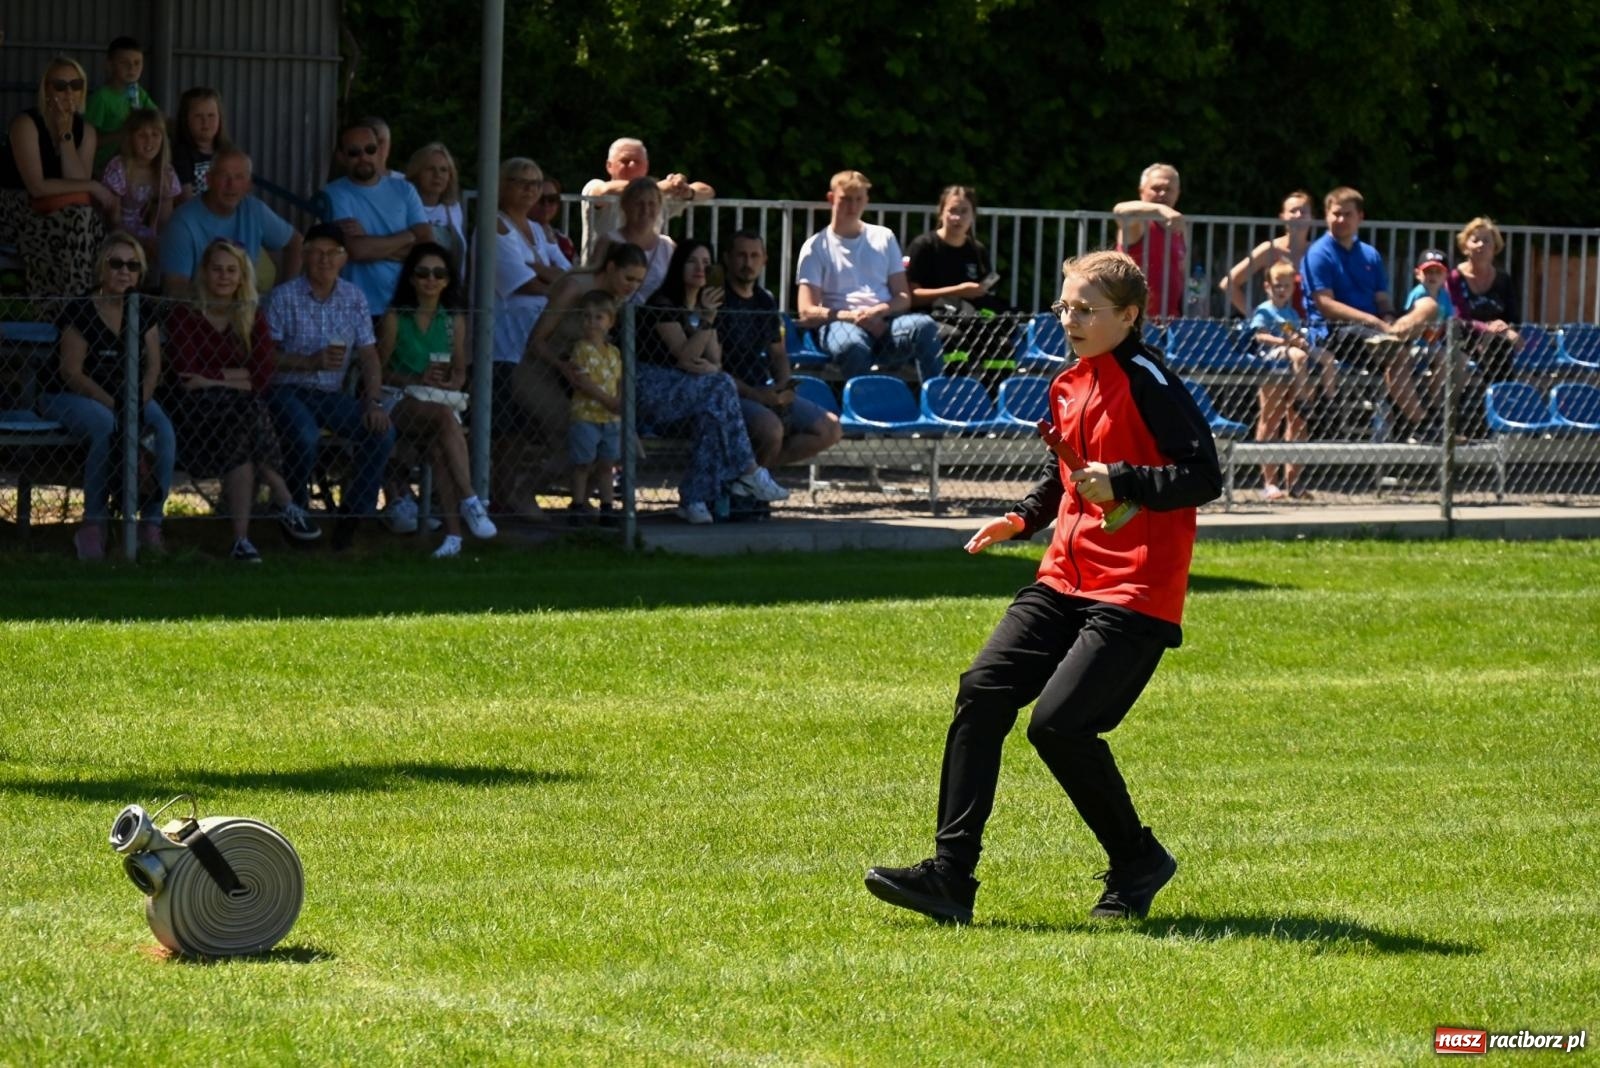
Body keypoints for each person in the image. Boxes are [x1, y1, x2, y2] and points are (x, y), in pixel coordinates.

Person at [865, 250, 1222, 926]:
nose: (1071, 319)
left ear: (1128, 316)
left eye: (1087, 309)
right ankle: (949, 877)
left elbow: (1203, 475)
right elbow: (1067, 476)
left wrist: (1126, 482)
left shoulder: (1149, 380)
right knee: (982, 691)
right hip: (1064, 576)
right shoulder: (1067, 383)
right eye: (1066, 307)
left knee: (1060, 726)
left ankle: (1137, 860)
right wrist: (1023, 517)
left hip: (1134, 591)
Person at [165, 239, 319, 561]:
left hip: (237, 416)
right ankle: (284, 499)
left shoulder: (252, 316)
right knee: (248, 411)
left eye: (231, 270)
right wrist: (235, 376)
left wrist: (212, 377)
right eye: (217, 269)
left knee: (244, 429)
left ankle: (242, 542)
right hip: (195, 414)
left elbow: (262, 376)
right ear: (204, 273)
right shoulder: (185, 314)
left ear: (241, 276)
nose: (224, 276)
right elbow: (187, 374)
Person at [36, 232, 175, 560]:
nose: (124, 271)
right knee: (104, 426)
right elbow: (71, 372)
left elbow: (154, 367)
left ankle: (150, 524)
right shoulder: (81, 310)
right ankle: (93, 525)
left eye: (132, 265)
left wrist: (138, 402)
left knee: (164, 432)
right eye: (116, 264)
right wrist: (117, 405)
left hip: (131, 396)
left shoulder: (145, 310)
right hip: (69, 395)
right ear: (101, 269)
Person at [263, 222, 396, 550]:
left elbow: (369, 355)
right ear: (305, 256)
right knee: (304, 435)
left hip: (330, 394)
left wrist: (374, 401)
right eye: (317, 252)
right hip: (285, 390)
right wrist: (310, 362)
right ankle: (294, 509)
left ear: (344, 259)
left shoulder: (354, 298)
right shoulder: (282, 297)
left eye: (333, 253)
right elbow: (266, 357)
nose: (325, 259)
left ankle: (352, 516)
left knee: (381, 431)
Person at [639, 239, 789, 523]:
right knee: (721, 385)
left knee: (712, 413)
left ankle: (694, 499)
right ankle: (749, 471)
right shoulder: (664, 304)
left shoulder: (705, 304)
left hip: (691, 393)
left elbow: (715, 360)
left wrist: (708, 318)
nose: (700, 269)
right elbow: (685, 357)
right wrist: (706, 321)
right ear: (679, 266)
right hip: (650, 390)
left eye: (706, 264)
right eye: (693, 262)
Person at [508, 242, 649, 515]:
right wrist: (563, 367)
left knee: (621, 442)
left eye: (638, 281)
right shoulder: (575, 287)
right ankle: (524, 493)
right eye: (628, 278)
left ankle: (583, 503)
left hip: (581, 382)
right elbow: (536, 341)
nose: (632, 286)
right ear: (610, 268)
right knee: (576, 433)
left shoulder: (615, 301)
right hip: (540, 371)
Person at [377, 242, 497, 558]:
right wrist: (414, 379)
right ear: (412, 278)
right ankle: (471, 499)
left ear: (447, 280)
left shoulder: (452, 321)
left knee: (440, 449)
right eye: (423, 272)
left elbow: (459, 370)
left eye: (439, 273)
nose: (431, 279)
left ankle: (454, 537)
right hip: (398, 398)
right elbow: (377, 370)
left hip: (436, 399)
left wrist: (451, 380)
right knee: (445, 418)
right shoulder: (395, 317)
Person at [1300, 186, 1429, 441]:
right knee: (1397, 354)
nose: (1340, 220)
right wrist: (1373, 321)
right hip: (1335, 332)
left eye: (1347, 214)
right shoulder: (1318, 253)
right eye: (1335, 214)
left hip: (1377, 330)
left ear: (1360, 217)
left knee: (1429, 305)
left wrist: (1389, 318)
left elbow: (1382, 298)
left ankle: (1395, 336)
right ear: (1326, 216)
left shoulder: (1370, 254)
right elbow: (1326, 304)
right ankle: (1422, 425)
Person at [794, 170, 942, 381]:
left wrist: (879, 311)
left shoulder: (884, 237)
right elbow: (806, 309)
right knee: (852, 344)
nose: (853, 207)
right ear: (831, 198)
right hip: (840, 324)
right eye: (845, 199)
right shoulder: (815, 246)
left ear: (867, 200)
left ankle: (936, 401)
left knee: (925, 326)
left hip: (885, 322)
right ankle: (863, 406)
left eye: (859, 200)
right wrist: (853, 317)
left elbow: (902, 297)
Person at [716, 229, 842, 467]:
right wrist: (757, 396)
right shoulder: (716, 300)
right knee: (771, 430)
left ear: (764, 260)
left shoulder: (765, 300)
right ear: (727, 258)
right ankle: (751, 485)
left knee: (830, 428)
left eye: (754, 256)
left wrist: (784, 388)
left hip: (763, 388)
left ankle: (750, 478)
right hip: (727, 391)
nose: (748, 263)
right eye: (741, 255)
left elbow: (778, 353)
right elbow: (713, 368)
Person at [0, 56, 114, 297]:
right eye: (60, 86)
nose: (68, 92)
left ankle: (81, 302)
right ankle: (79, 304)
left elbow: (77, 191)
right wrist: (94, 185)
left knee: (85, 219)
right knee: (81, 221)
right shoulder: (25, 124)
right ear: (46, 89)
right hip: (18, 208)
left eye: (76, 85)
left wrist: (66, 135)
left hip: (68, 214)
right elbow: (37, 187)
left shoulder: (86, 131)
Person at [1246, 260, 1337, 499]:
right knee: (1271, 421)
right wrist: (1287, 342)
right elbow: (1260, 336)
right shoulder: (1265, 310)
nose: (1282, 290)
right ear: (1268, 286)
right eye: (1277, 285)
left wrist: (1300, 341)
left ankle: (1293, 482)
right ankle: (1270, 482)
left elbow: (1295, 334)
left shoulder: (1291, 313)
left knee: (1298, 424)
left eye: (1286, 286)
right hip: (1273, 365)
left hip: (1296, 365)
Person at [321, 121, 431, 316]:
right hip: (357, 309)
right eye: (354, 152)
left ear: (380, 150)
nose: (363, 157)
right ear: (341, 157)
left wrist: (370, 243)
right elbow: (356, 250)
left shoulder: (405, 189)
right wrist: (408, 236)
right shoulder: (334, 194)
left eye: (370, 149)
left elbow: (426, 248)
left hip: (406, 305)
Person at [905, 184, 1012, 378]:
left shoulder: (976, 250)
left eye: (964, 211)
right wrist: (956, 290)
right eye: (952, 211)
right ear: (941, 213)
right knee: (953, 338)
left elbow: (981, 295)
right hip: (932, 317)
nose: (957, 217)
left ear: (973, 216)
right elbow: (912, 297)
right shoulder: (924, 246)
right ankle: (954, 395)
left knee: (1001, 344)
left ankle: (994, 400)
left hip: (968, 318)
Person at [159, 149, 302, 294]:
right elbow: (175, 289)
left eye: (239, 177)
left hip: (246, 310)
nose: (231, 184)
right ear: (208, 180)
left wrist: (282, 295)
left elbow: (296, 242)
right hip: (198, 312)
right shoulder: (182, 222)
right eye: (224, 176)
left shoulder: (254, 210)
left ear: (248, 185)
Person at [579, 137, 713, 265]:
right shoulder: (595, 185)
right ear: (609, 166)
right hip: (602, 273)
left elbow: (707, 191)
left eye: (637, 161)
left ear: (646, 166)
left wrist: (686, 191)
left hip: (647, 275)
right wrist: (657, 187)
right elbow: (603, 191)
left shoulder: (659, 194)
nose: (631, 165)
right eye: (625, 161)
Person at [564, 289, 623, 523]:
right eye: (587, 317)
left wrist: (619, 400)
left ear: (610, 321)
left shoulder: (615, 352)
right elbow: (583, 380)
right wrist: (608, 401)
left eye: (599, 317)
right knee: (583, 462)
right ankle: (577, 504)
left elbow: (619, 379)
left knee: (607, 464)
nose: (592, 323)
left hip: (610, 418)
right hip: (586, 415)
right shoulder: (581, 349)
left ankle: (607, 505)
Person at [98, 107, 179, 271]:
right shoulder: (119, 168)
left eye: (155, 135)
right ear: (130, 139)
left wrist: (157, 243)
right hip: (118, 234)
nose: (149, 141)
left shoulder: (166, 173)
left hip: (149, 238)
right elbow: (113, 220)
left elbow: (164, 221)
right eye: (142, 135)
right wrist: (138, 242)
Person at [1448, 216, 1523, 386]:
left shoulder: (1503, 279)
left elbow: (1513, 316)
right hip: (1464, 338)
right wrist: (1487, 327)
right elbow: (1458, 318)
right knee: (1495, 341)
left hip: (1497, 340)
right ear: (1465, 246)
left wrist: (1505, 328)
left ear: (1495, 247)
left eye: (1487, 241)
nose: (1481, 245)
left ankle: (1499, 399)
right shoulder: (1454, 278)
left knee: (1497, 343)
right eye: (1475, 240)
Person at [1219, 190, 1315, 317]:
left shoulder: (1317, 252)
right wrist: (1256, 317)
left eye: (1303, 212)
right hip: (1280, 327)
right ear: (1282, 217)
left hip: (1314, 327)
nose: (1298, 215)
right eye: (1293, 211)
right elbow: (1228, 283)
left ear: (1311, 217)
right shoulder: (1270, 249)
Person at [1114, 163, 1189, 320]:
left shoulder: (1177, 227)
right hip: (1135, 320)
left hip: (1170, 321)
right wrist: (1159, 210)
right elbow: (1119, 210)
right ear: (1142, 191)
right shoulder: (1138, 224)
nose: (1162, 193)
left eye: (1169, 189)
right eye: (1156, 188)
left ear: (1178, 193)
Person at [589, 176, 674, 305]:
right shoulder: (608, 241)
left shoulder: (667, 246)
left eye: (651, 204)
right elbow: (593, 284)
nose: (645, 210)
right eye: (639, 204)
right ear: (625, 205)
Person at [84, 36, 157, 172]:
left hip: (132, 165)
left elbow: (157, 119)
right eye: (124, 63)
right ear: (109, 65)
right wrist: (121, 134)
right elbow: (85, 142)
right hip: (104, 169)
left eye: (137, 63)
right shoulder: (101, 98)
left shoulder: (139, 93)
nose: (132, 68)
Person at [404, 142, 466, 277]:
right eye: (430, 169)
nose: (438, 175)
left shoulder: (453, 208)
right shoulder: (403, 207)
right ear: (417, 173)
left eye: (444, 170)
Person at [169, 86, 230, 203]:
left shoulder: (227, 152)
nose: (205, 122)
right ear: (185, 119)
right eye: (198, 116)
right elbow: (186, 201)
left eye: (211, 115)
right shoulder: (180, 154)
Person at [533, 177, 576, 264]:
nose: (546, 204)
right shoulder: (517, 235)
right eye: (540, 199)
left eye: (552, 199)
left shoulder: (564, 241)